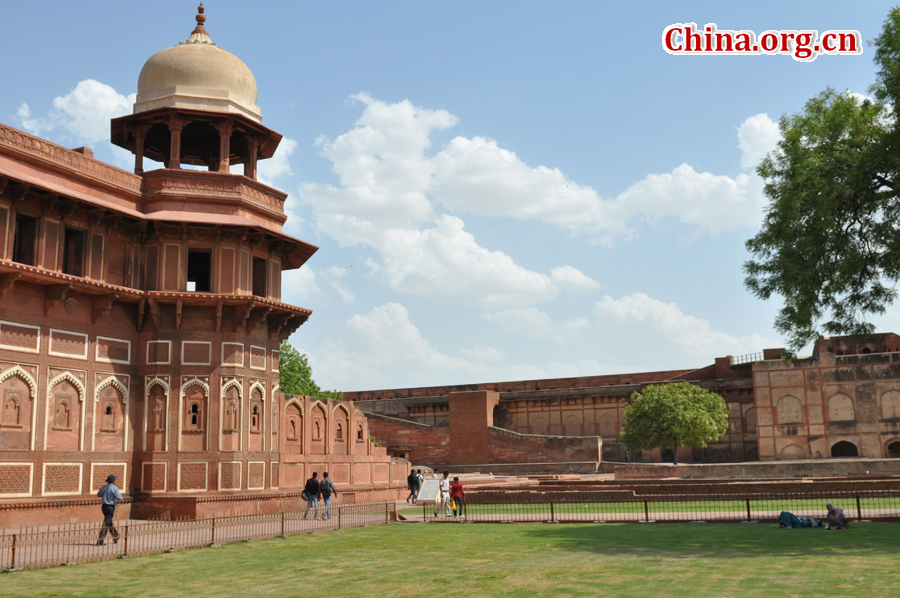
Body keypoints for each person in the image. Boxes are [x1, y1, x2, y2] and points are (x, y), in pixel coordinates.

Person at [96, 474, 122, 546]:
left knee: (108, 521)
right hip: (110, 507)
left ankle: (115, 536)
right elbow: (120, 498)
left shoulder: (103, 487)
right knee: (106, 523)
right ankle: (100, 541)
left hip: (104, 507)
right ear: (113, 481)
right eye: (115, 480)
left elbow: (98, 495)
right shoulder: (114, 488)